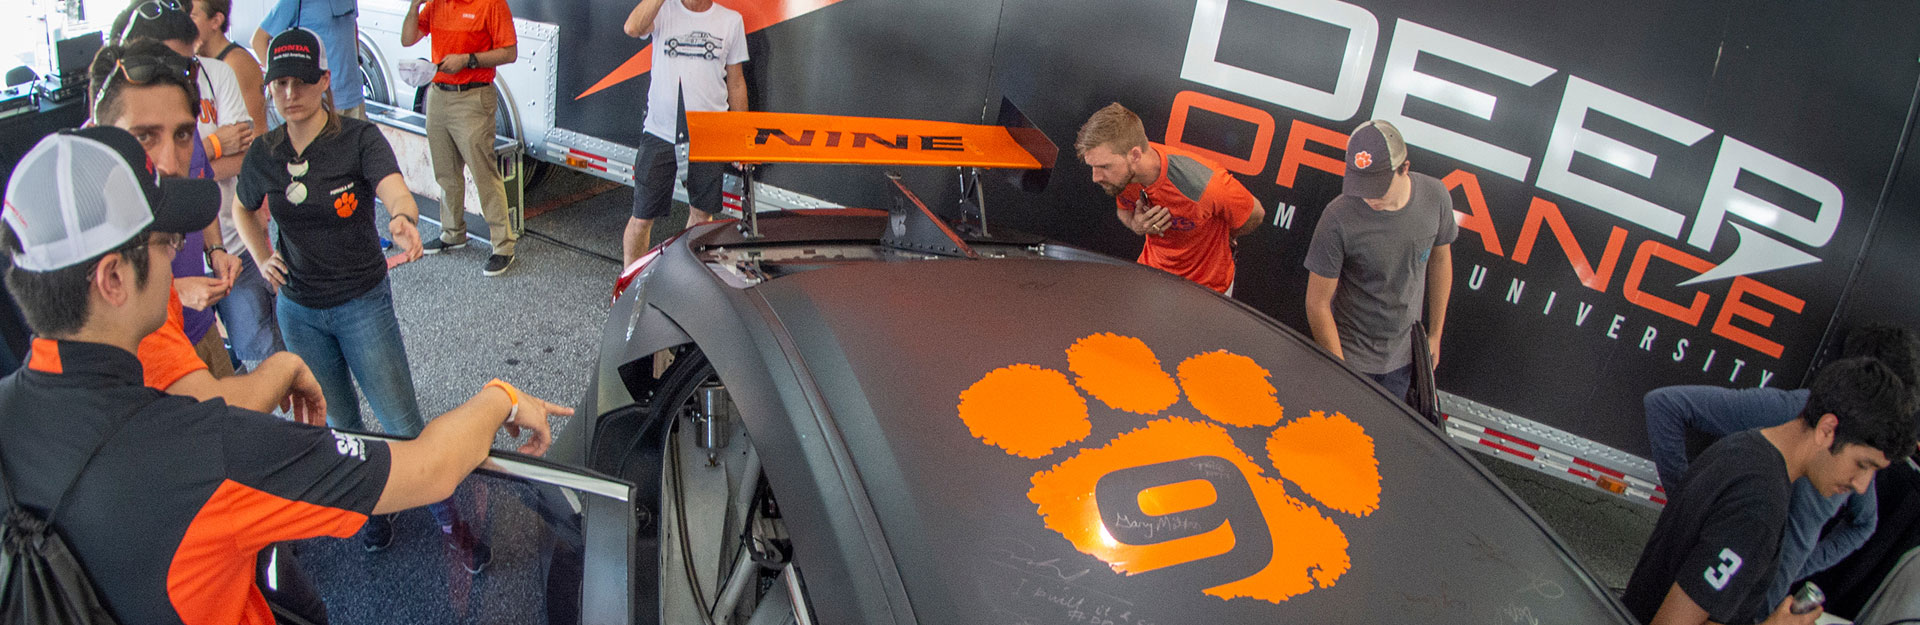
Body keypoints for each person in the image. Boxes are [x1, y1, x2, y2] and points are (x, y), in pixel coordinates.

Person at [0, 126, 568, 624]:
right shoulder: (209, 453)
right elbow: (431, 469)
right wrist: (503, 397)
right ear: (112, 279)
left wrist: (281, 368)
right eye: (165, 242)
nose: (178, 254)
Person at [236, 29, 496, 563]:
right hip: (300, 311)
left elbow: (392, 183)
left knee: (402, 425)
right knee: (342, 428)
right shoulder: (266, 152)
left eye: (302, 81)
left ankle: (450, 523)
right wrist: (262, 255)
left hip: (361, 304)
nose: (290, 93)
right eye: (279, 83)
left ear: (324, 81)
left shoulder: (357, 139)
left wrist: (401, 214)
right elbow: (243, 206)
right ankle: (371, 512)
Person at [89, 39, 323, 417]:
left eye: (182, 135)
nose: (168, 162)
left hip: (197, 329)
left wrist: (214, 250)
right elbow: (208, 408)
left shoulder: (166, 195)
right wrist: (286, 368)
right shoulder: (88, 229)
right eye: (144, 136)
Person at [1645, 325, 1920, 617]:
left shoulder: (1762, 458)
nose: (1863, 485)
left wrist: (1796, 565)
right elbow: (1674, 620)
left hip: (1756, 596)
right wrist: (1689, 504)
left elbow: (1864, 524)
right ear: (1829, 428)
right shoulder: (1760, 506)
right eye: (1862, 465)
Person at [112, 0, 256, 376]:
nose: (182, 81)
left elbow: (202, 183)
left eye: (188, 67)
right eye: (169, 67)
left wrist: (217, 248)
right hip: (149, 341)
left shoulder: (180, 121)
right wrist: (173, 292)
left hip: (199, 324)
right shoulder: (99, 156)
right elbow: (92, 288)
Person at [1304, 120, 1455, 400]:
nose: (1368, 196)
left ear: (1404, 168)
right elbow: (1317, 302)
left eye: (1378, 186)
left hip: (1403, 359)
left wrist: (1435, 333)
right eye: (1361, 184)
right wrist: (1340, 370)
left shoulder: (1436, 197)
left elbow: (1441, 260)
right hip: (1349, 357)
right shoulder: (1337, 216)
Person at [1074, 102, 1263, 295]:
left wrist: (1226, 236)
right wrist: (1136, 224)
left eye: (1104, 167)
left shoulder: (1206, 184)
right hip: (1151, 277)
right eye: (1093, 167)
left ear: (1135, 155)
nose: (1095, 177)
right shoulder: (1121, 178)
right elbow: (1123, 210)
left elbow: (1255, 213)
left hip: (1208, 289)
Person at [192, 0, 288, 372]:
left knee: (263, 342)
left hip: (234, 233)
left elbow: (250, 153)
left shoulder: (228, 68)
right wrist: (214, 146)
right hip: (187, 255)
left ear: (217, 21)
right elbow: (154, 175)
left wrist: (190, 168)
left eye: (194, 14)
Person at [620, 0, 749, 268]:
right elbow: (632, 27)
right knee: (642, 217)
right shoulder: (663, 11)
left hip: (708, 136)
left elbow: (736, 82)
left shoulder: (731, 21)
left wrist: (741, 138)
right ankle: (629, 283)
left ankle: (686, 278)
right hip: (660, 132)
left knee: (701, 219)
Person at [401, 0, 520, 276]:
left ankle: (503, 246)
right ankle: (452, 233)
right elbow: (408, 39)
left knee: (483, 172)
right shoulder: (435, 4)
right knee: (445, 171)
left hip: (473, 96)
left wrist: (468, 59)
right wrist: (413, 6)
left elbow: (510, 52)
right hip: (438, 95)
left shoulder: (491, 4)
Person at [252, 0, 365, 118]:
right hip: (319, 102)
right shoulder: (295, 2)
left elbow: (352, 28)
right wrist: (278, 83)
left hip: (354, 97)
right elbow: (259, 40)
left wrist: (357, 60)